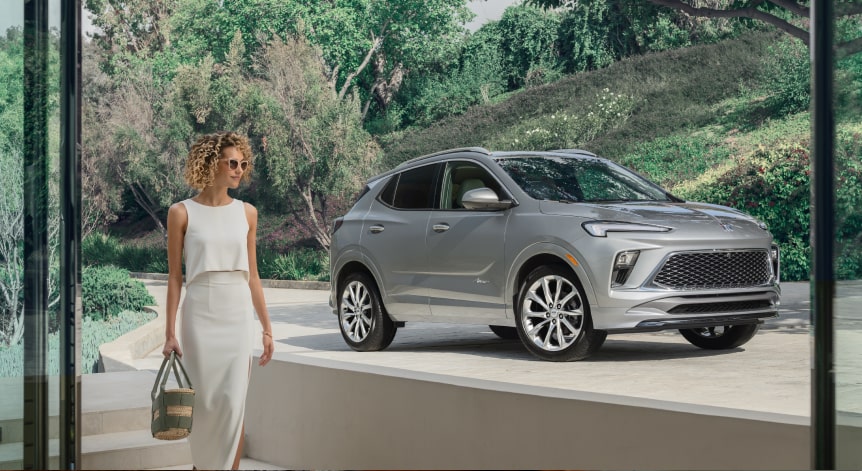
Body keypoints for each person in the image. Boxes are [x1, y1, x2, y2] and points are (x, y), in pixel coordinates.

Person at [161, 131, 274, 470]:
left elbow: (253, 277)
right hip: (200, 314)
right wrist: (170, 332)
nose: (240, 169)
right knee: (205, 404)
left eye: (243, 163)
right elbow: (175, 278)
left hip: (238, 316)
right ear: (212, 163)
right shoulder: (181, 213)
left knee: (232, 404)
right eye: (233, 163)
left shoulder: (247, 213)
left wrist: (267, 329)